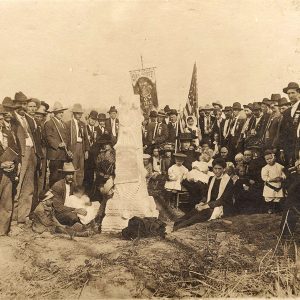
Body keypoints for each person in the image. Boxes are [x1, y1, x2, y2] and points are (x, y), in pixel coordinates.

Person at [173, 158, 234, 231]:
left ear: (224, 169)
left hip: (221, 206)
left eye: (219, 169)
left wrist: (205, 207)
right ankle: (177, 224)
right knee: (192, 212)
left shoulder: (228, 181)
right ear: (213, 169)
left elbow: (223, 200)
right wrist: (201, 203)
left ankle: (179, 228)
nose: (217, 171)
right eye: (215, 168)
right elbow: (206, 194)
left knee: (198, 216)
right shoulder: (211, 179)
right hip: (209, 203)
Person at [12, 91, 43, 224]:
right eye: (21, 104)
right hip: (21, 155)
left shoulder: (28, 119)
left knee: (28, 187)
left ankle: (23, 217)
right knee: (17, 185)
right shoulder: (13, 119)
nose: (24, 107)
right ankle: (12, 217)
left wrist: (37, 155)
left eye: (25, 104)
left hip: (32, 153)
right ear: (15, 105)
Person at [0, 105, 20, 235]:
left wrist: (13, 164)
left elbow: (15, 151)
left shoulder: (7, 134)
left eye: (2, 118)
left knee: (6, 204)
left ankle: (2, 231)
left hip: (7, 174)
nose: (1, 121)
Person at [52, 162, 88, 226]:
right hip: (60, 213)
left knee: (88, 211)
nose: (71, 176)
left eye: (72, 174)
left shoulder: (73, 184)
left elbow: (78, 197)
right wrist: (75, 210)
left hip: (71, 209)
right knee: (73, 216)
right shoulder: (58, 186)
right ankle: (79, 227)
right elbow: (58, 207)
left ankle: (83, 224)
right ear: (63, 174)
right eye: (68, 174)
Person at [44, 102, 71, 187]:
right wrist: (58, 144)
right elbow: (48, 138)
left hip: (63, 155)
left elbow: (67, 138)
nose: (61, 114)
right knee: (54, 176)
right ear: (54, 113)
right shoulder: (49, 123)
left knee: (61, 176)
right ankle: (53, 193)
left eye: (62, 112)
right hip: (55, 155)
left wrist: (68, 149)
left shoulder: (64, 124)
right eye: (59, 112)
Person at [66, 103, 90, 186]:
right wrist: (68, 150)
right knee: (73, 168)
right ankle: (72, 187)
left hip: (81, 147)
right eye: (77, 113)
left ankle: (79, 187)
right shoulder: (69, 124)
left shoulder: (83, 124)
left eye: (80, 113)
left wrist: (86, 150)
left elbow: (86, 138)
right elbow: (66, 138)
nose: (79, 115)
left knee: (81, 168)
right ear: (74, 113)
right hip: (73, 147)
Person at [279, 82, 300, 166]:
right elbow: (282, 131)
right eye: (288, 93)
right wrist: (282, 149)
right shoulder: (287, 112)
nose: (290, 96)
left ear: (299, 93)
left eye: (293, 93)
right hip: (288, 148)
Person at [261, 150, 286, 214]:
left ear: (274, 157)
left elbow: (283, 174)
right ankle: (270, 209)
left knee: (277, 198)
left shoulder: (279, 166)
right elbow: (264, 177)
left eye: (270, 158)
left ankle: (277, 210)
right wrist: (272, 180)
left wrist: (281, 177)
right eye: (267, 159)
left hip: (278, 185)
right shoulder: (265, 168)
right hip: (270, 185)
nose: (269, 160)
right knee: (269, 197)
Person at [280, 160, 300, 237]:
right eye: (298, 166)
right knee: (289, 212)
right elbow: (285, 170)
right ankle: (285, 232)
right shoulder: (293, 175)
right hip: (292, 199)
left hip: (297, 198)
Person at [84, 110, 100, 193]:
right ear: (88, 118)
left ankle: (93, 193)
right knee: (87, 175)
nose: (93, 121)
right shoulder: (84, 128)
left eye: (94, 119)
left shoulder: (98, 129)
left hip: (95, 156)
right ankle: (86, 192)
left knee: (95, 175)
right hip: (88, 156)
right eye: (91, 118)